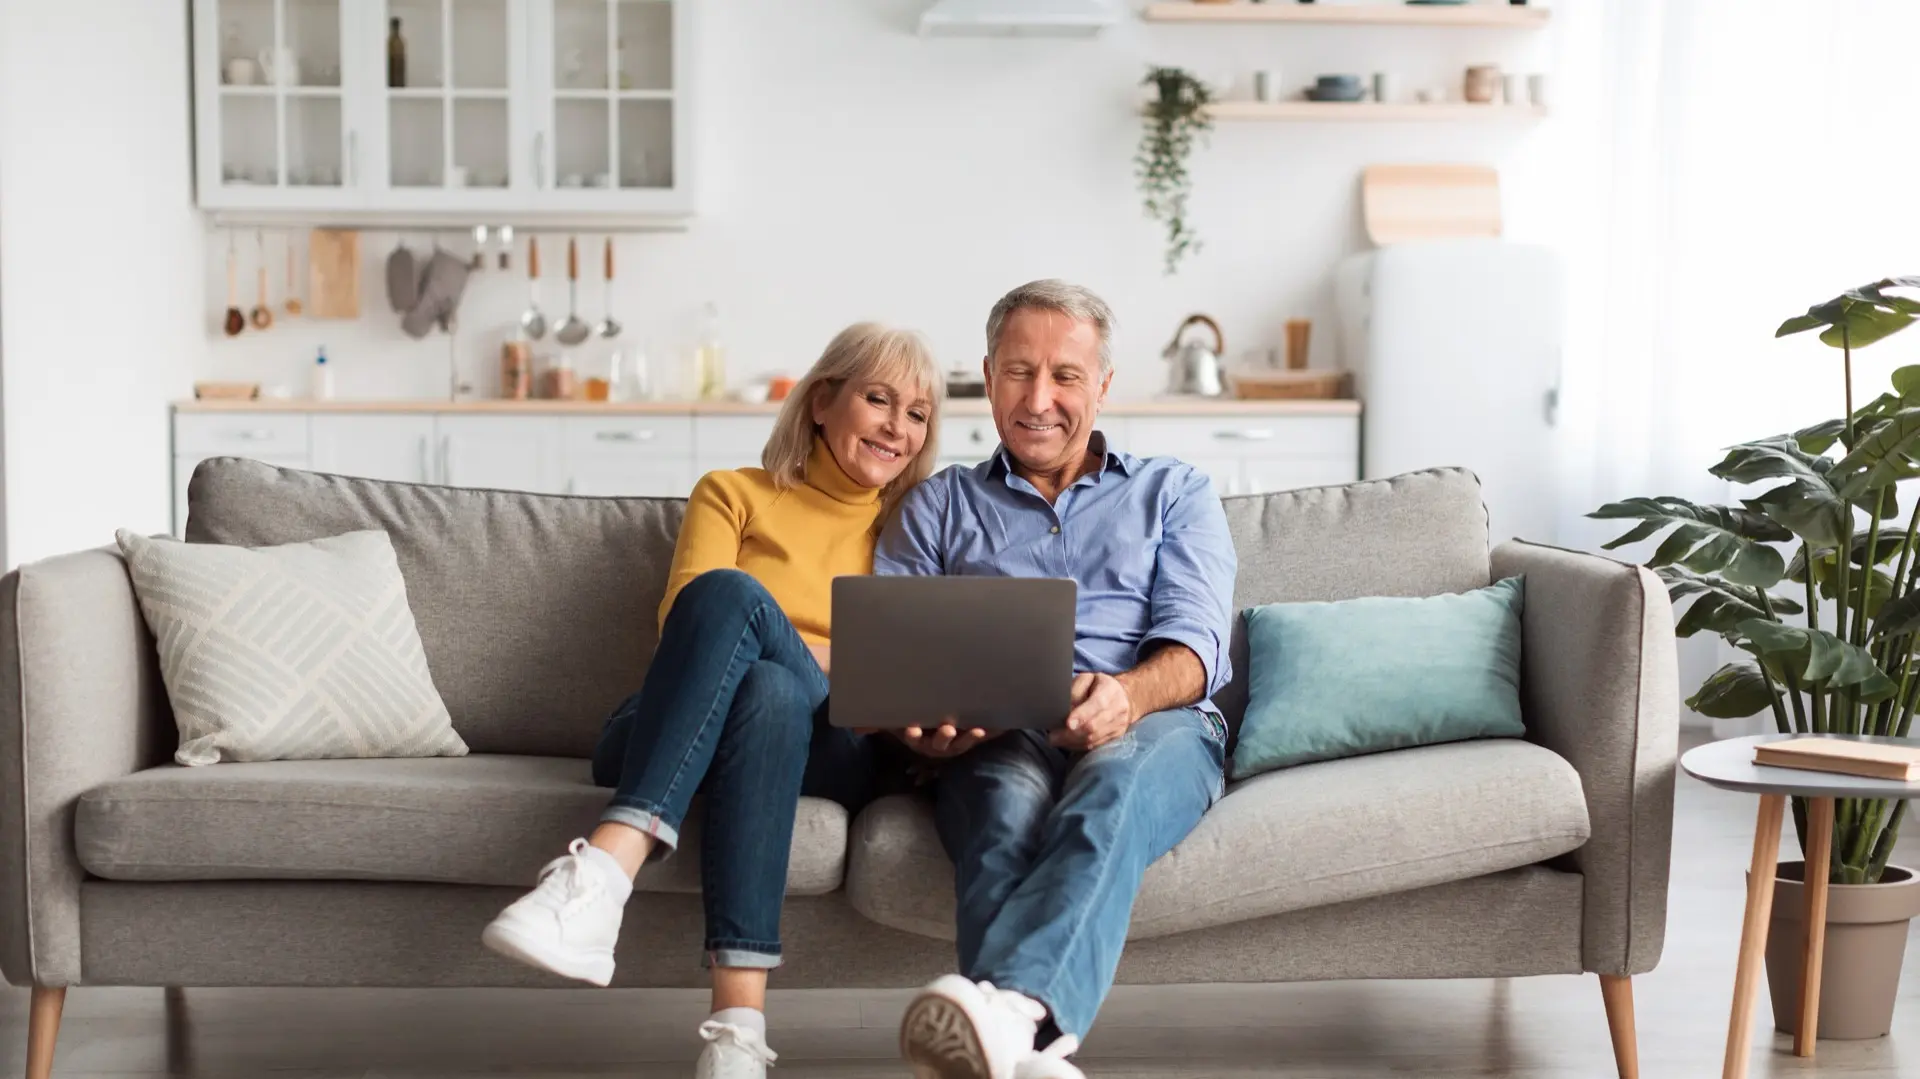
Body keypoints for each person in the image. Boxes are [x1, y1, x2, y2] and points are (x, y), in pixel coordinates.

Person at [483, 322, 943, 1079]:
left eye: (918, 412)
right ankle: (734, 1038)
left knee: (754, 638)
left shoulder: (913, 529)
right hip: (676, 719)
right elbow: (687, 630)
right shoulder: (733, 493)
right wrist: (828, 653)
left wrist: (807, 653)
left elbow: (904, 668)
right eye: (879, 398)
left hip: (833, 742)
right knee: (752, 662)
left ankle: (601, 873)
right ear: (823, 402)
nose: (898, 426)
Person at [874, 281, 1237, 1079]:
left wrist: (1126, 694)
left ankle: (1011, 1011)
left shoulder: (1174, 491)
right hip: (999, 730)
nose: (1040, 399)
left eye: (1066, 375)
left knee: (1109, 789)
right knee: (1000, 813)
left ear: (1103, 384)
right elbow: (895, 660)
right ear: (987, 376)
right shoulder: (935, 506)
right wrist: (917, 723)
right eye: (1018, 372)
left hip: (1156, 723)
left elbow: (1199, 647)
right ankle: (1030, 1050)